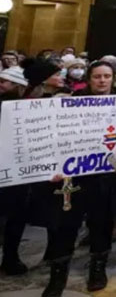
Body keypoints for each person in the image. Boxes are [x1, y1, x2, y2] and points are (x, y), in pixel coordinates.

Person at [42, 61, 116, 296]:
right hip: (71, 177)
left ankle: (98, 268)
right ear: (89, 78)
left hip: (106, 178)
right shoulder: (71, 101)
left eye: (107, 76)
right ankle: (58, 275)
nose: (103, 80)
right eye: (97, 76)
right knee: (65, 226)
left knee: (102, 224)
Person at [0, 66, 29, 276]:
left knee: (16, 217)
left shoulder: (26, 106)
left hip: (19, 171)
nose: (0, 84)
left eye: (4, 81)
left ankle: (11, 257)